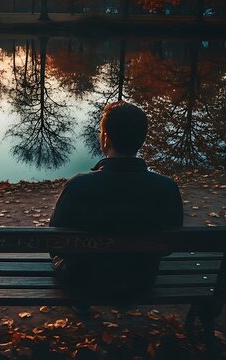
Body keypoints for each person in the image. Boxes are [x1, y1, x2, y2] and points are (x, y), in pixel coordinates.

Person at [49, 101, 183, 299]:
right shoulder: (166, 188)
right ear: (141, 140)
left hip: (83, 280)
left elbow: (55, 243)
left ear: (106, 139)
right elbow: (169, 245)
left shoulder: (78, 185)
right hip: (140, 281)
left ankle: (82, 303)